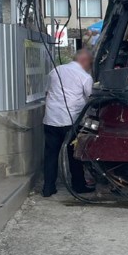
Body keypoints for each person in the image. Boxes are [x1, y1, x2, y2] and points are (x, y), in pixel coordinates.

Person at [42, 48, 94, 197]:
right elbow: (91, 97)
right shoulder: (85, 77)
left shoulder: (56, 70)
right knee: (74, 155)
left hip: (51, 118)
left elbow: (48, 92)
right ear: (84, 61)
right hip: (71, 120)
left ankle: (48, 187)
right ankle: (78, 185)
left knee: (51, 155)